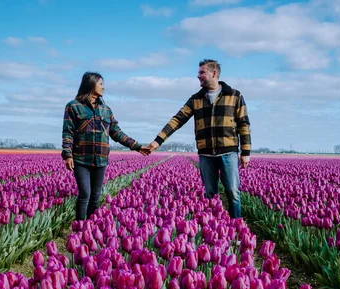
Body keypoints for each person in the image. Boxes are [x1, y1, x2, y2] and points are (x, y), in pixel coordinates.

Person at [147, 59, 251, 218]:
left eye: (202, 72)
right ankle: (216, 228)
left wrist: (246, 151)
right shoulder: (196, 99)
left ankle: (236, 227)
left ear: (214, 73)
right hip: (206, 154)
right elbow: (177, 119)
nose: (198, 76)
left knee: (233, 192)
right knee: (210, 194)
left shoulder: (234, 95)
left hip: (228, 152)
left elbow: (244, 123)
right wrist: (157, 141)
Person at [62, 72, 149, 221]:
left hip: (101, 159)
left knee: (95, 196)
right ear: (91, 83)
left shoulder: (106, 110)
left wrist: (137, 146)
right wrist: (67, 154)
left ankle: (91, 228)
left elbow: (117, 133)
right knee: (85, 194)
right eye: (101, 84)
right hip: (81, 158)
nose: (103, 87)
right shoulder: (73, 106)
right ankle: (80, 229)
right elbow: (67, 132)